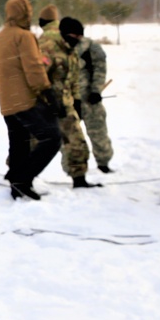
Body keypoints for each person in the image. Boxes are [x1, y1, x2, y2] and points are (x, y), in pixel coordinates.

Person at [0, 0, 61, 201]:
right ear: (25, 13)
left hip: (7, 101)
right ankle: (21, 178)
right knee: (52, 137)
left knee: (19, 143)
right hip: (25, 100)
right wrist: (46, 91)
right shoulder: (24, 36)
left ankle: (18, 187)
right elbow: (34, 68)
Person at [39, 15, 99, 189]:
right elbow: (38, 78)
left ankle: (79, 178)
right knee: (35, 144)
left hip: (66, 105)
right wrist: (49, 100)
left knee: (77, 141)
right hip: (45, 106)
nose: (77, 41)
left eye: (80, 38)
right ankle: (18, 174)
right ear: (66, 34)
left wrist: (77, 101)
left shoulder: (72, 53)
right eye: (75, 37)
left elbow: (73, 80)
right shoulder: (48, 49)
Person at [73, 25, 114, 173]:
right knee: (71, 138)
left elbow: (100, 68)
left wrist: (96, 91)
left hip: (90, 98)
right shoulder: (63, 48)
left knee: (98, 131)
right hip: (70, 99)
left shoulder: (91, 48)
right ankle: (76, 168)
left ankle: (103, 162)